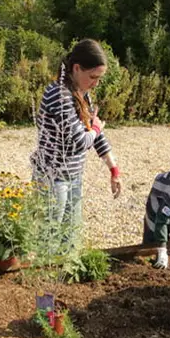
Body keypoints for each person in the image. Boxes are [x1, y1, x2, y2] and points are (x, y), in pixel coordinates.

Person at [30, 38, 122, 247]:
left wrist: (113, 169)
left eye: (99, 78)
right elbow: (81, 140)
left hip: (72, 176)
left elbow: (94, 136)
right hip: (53, 179)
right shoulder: (59, 95)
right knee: (49, 238)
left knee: (70, 237)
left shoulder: (82, 94)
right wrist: (97, 127)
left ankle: (64, 278)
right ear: (77, 68)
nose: (96, 83)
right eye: (93, 77)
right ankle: (46, 278)